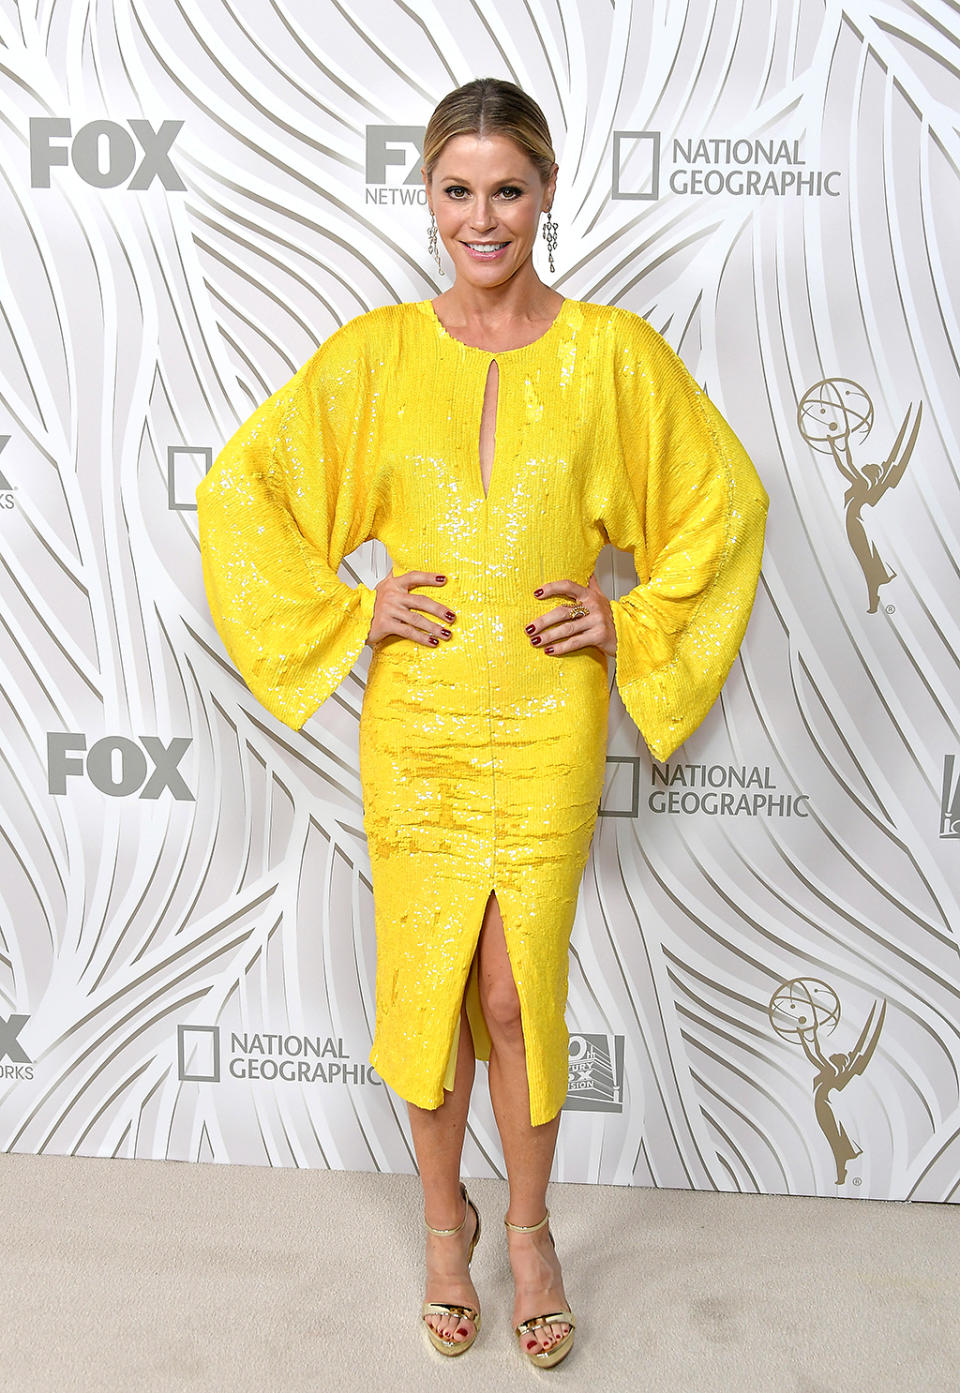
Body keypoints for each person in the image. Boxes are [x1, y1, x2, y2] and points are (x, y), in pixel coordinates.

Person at [196, 76, 768, 1369]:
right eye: (458, 190)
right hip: (421, 728)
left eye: (506, 188)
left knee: (516, 994)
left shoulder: (614, 355)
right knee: (434, 986)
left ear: (548, 191)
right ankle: (441, 1229)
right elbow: (245, 492)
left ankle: (527, 1232)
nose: (483, 215)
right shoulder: (377, 355)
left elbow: (722, 502)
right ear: (430, 198)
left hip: (550, 721)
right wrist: (356, 609)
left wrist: (627, 621)